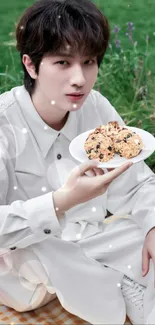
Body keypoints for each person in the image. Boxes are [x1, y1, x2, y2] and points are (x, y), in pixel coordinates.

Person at [0, 0, 155, 323]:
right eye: (62, 63)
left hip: (93, 241)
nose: (80, 79)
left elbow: (137, 181)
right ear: (31, 65)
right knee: (46, 249)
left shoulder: (95, 107)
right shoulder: (4, 123)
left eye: (89, 61)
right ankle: (115, 289)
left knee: (142, 232)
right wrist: (61, 202)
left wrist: (153, 224)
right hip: (21, 268)